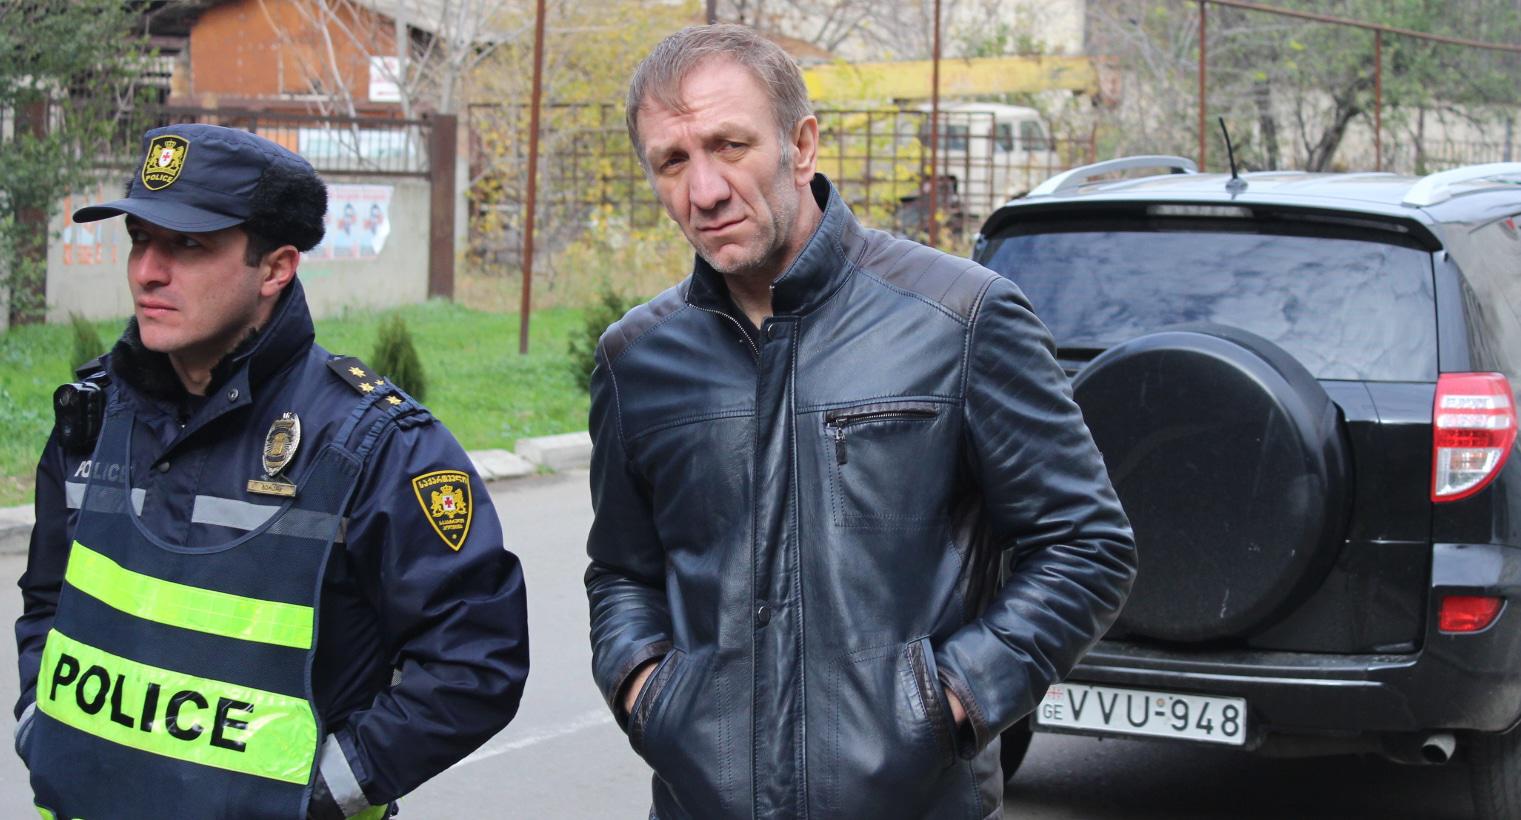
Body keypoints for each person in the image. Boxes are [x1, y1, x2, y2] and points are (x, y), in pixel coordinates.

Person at [585, 25, 1137, 819]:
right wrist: (648, 694)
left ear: (800, 145)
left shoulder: (959, 319)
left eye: (729, 146)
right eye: (672, 161)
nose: (703, 191)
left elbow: (1085, 544)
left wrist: (945, 706)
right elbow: (622, 571)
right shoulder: (636, 358)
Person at [14, 124, 530, 819]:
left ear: (275, 268)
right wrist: (39, 726)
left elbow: (474, 662)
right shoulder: (94, 417)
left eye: (187, 245)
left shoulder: (373, 445)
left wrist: (316, 795)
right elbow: (51, 601)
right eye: (139, 238)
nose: (147, 271)